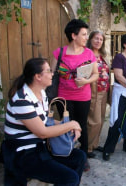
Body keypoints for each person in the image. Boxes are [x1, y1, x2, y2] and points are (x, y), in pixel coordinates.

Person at [0, 58, 86, 185]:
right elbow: (43, 132)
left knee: (79, 157)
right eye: (49, 71)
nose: (52, 74)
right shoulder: (22, 100)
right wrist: (71, 124)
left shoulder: (41, 93)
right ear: (38, 76)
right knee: (69, 178)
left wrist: (73, 126)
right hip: (23, 154)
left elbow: (45, 121)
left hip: (40, 147)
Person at [50, 19, 99, 171]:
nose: (86, 37)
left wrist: (86, 81)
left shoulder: (89, 53)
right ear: (73, 35)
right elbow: (51, 75)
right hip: (62, 96)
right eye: (84, 34)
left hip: (83, 96)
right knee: (62, 125)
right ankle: (64, 153)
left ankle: (82, 157)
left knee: (81, 125)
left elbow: (96, 75)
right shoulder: (59, 53)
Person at [86, 31, 110, 158]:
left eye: (101, 39)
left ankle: (94, 144)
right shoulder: (86, 54)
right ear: (90, 39)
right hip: (93, 92)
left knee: (100, 120)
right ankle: (88, 147)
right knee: (93, 121)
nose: (98, 41)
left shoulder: (103, 55)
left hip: (104, 91)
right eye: (96, 38)